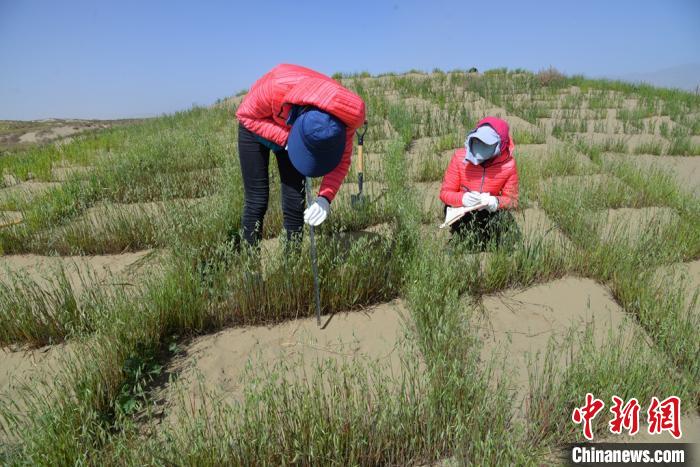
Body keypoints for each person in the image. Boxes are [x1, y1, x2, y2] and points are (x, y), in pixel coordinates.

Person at [235, 64, 366, 247]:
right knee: (257, 200)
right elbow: (245, 115)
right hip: (256, 122)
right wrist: (287, 140)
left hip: (292, 131)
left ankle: (292, 266)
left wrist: (325, 198)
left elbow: (342, 162)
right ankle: (252, 270)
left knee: (295, 201)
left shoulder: (345, 119)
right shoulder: (274, 87)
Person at [439, 116, 519, 250]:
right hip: (462, 210)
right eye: (477, 141)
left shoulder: (508, 165)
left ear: (501, 145)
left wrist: (495, 201)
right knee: (464, 242)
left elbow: (512, 201)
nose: (480, 147)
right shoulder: (459, 158)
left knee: (502, 239)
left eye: (487, 143)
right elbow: (445, 193)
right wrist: (463, 198)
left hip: (488, 211)